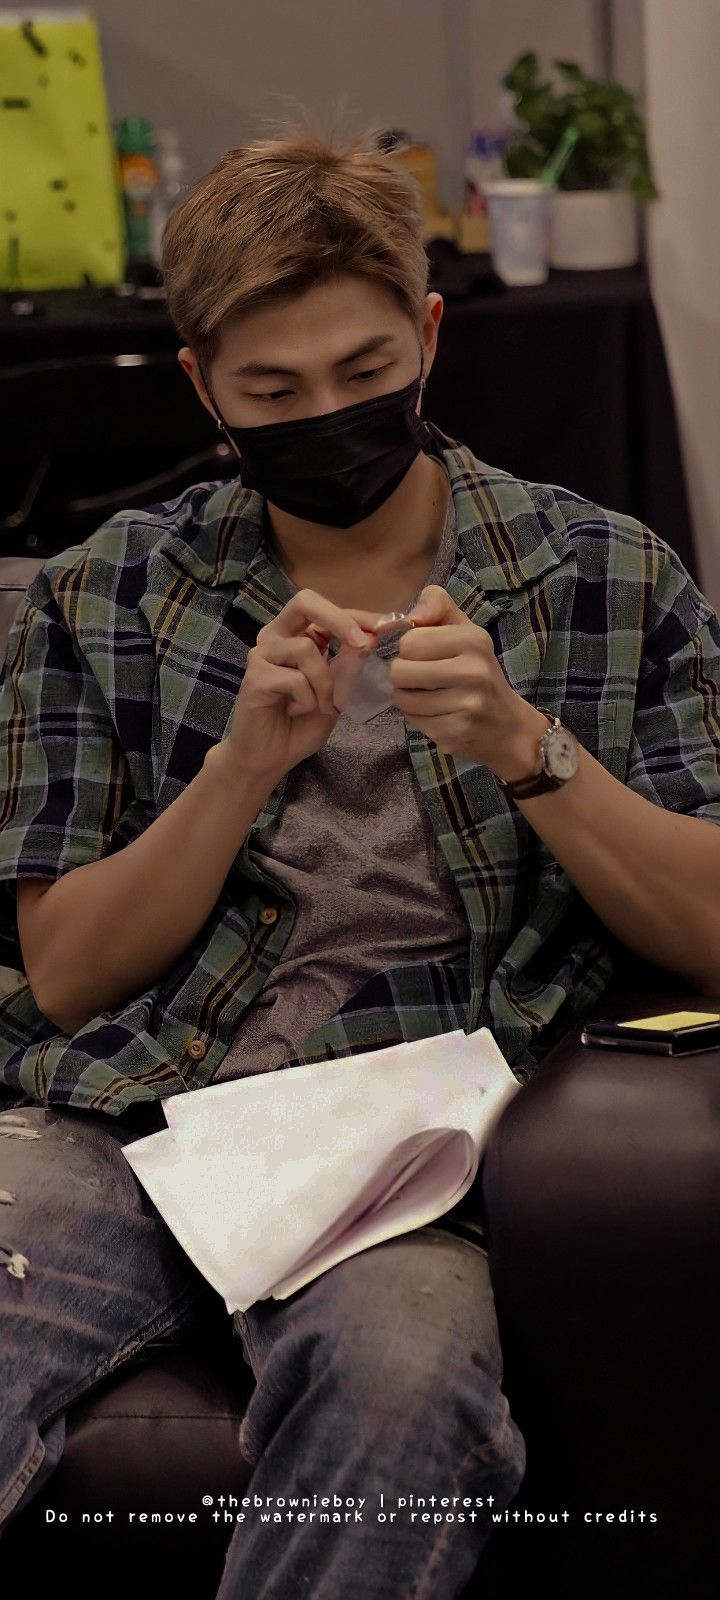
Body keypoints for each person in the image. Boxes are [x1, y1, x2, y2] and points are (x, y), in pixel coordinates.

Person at [1, 116, 720, 1598]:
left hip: (398, 1162)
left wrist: (531, 750)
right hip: (126, 1113)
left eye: (364, 377)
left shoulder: (604, 574)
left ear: (430, 338)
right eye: (273, 391)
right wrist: (240, 769)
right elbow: (68, 973)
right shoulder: (101, 595)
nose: (324, 415)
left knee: (404, 1384)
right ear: (203, 384)